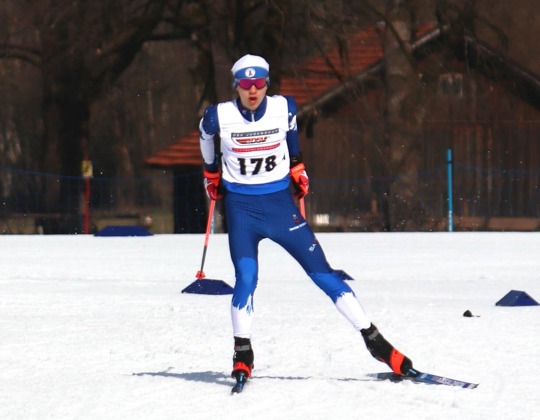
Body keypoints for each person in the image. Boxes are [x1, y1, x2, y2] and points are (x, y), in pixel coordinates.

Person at [198, 54, 413, 384]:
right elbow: (204, 135)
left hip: (280, 208)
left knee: (322, 273)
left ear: (267, 84)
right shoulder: (219, 116)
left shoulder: (284, 107)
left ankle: (377, 343)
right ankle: (243, 353)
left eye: (259, 83)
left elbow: (292, 132)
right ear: (236, 86)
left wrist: (297, 164)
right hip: (242, 209)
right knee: (246, 278)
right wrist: (211, 172)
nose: (252, 90)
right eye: (245, 83)